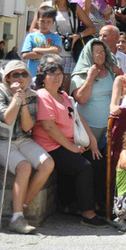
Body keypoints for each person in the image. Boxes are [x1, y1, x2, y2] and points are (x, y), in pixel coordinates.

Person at [32, 62, 105, 227]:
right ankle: (87, 213)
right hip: (51, 146)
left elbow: (77, 117)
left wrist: (92, 140)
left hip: (69, 143)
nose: (58, 78)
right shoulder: (43, 95)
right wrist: (71, 148)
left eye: (60, 74)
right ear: (43, 78)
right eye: (53, 74)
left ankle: (93, 204)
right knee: (83, 167)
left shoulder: (63, 94)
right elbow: (49, 127)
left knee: (98, 159)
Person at [0, 61, 55, 233]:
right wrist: (16, 98)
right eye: (15, 75)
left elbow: (27, 127)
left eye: (24, 74)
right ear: (8, 78)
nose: (20, 78)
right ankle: (17, 218)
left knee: (47, 164)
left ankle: (21, 203)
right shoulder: (1, 92)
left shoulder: (31, 94)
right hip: (3, 140)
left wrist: (23, 102)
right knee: (23, 167)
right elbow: (7, 120)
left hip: (22, 139)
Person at [28, 0, 97, 88]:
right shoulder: (45, 6)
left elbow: (91, 27)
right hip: (48, 55)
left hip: (68, 55)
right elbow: (32, 30)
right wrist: (49, 35)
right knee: (46, 89)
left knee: (64, 92)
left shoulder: (74, 8)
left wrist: (78, 36)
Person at [21, 6, 62, 78]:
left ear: (53, 22)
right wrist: (48, 55)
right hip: (32, 74)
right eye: (42, 21)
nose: (45, 25)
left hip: (50, 75)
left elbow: (56, 51)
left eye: (48, 22)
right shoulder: (31, 37)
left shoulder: (56, 37)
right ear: (37, 20)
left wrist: (36, 50)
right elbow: (25, 55)